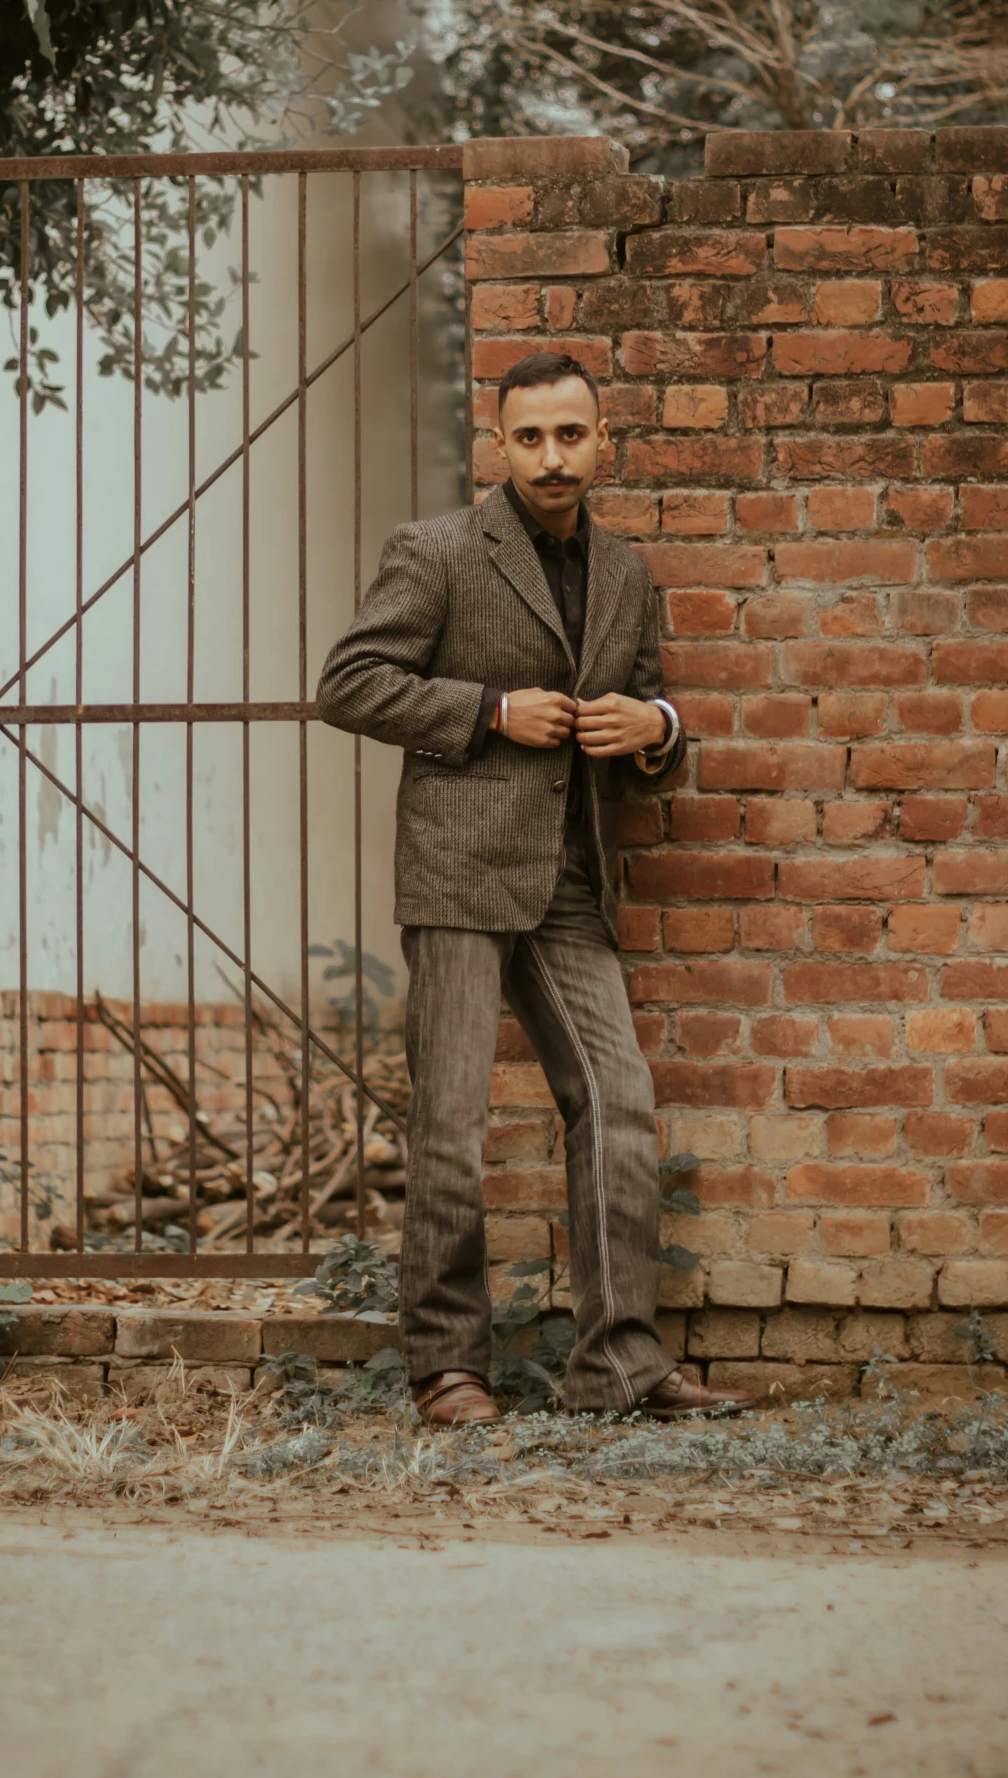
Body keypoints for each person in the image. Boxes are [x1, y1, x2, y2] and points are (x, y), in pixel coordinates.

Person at [316, 349, 753, 1426]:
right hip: (460, 871)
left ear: (606, 442)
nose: (551, 458)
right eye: (529, 437)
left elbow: (653, 712)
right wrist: (487, 711)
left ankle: (621, 1365)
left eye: (571, 435)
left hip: (569, 880)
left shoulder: (629, 574)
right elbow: (348, 683)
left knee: (619, 1101)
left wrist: (654, 731)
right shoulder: (436, 552)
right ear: (497, 443)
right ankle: (448, 1369)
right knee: (450, 1124)